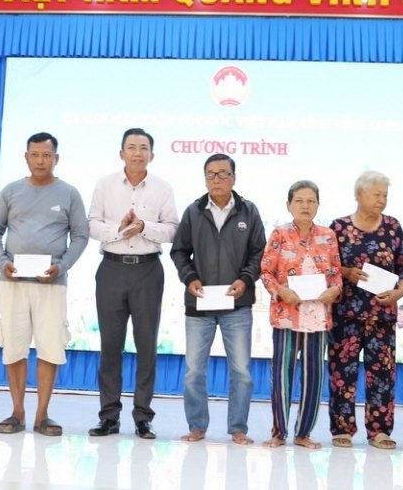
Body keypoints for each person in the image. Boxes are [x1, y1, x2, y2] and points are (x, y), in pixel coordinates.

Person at [0, 132, 89, 436]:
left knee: (50, 346)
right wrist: (3, 262)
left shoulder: (69, 193)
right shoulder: (11, 191)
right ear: (26, 157)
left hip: (51, 284)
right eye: (35, 155)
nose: (40, 160)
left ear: (56, 158)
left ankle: (43, 415)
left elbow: (80, 236)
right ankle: (17, 412)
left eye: (46, 155)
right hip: (13, 281)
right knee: (14, 346)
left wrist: (63, 266)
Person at [87, 128, 179, 440]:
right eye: (131, 147)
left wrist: (144, 227)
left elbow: (172, 231)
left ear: (152, 154)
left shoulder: (163, 188)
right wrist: (119, 229)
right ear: (121, 153)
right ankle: (109, 416)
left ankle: (143, 417)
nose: (138, 153)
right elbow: (92, 225)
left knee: (146, 346)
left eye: (143, 148)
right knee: (110, 347)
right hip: (111, 270)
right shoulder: (105, 185)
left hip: (147, 271)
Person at [170, 153, 266, 445]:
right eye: (211, 174)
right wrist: (190, 278)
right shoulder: (193, 211)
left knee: (241, 372)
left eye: (223, 174)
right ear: (205, 178)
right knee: (193, 372)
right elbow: (179, 251)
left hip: (236, 304)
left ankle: (238, 428)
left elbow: (259, 253)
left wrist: (245, 279)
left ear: (234, 178)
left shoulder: (249, 212)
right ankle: (197, 426)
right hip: (200, 304)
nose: (217, 179)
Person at [328, 170, 403, 449]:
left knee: (382, 373)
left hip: (382, 313)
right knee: (342, 371)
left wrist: (400, 292)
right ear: (359, 194)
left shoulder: (392, 226)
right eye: (377, 194)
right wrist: (346, 272)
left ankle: (380, 431)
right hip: (346, 314)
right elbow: (325, 264)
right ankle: (342, 428)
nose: (382, 200)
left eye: (385, 195)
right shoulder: (339, 227)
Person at [260, 180, 342, 449]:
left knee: (314, 376)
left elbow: (336, 276)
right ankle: (279, 432)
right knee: (282, 374)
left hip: (317, 316)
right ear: (289, 205)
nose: (305, 206)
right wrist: (282, 292)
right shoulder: (279, 234)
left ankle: (303, 432)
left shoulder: (328, 236)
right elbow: (266, 272)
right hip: (287, 314)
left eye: (311, 201)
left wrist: (334, 291)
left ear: (318, 205)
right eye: (299, 201)